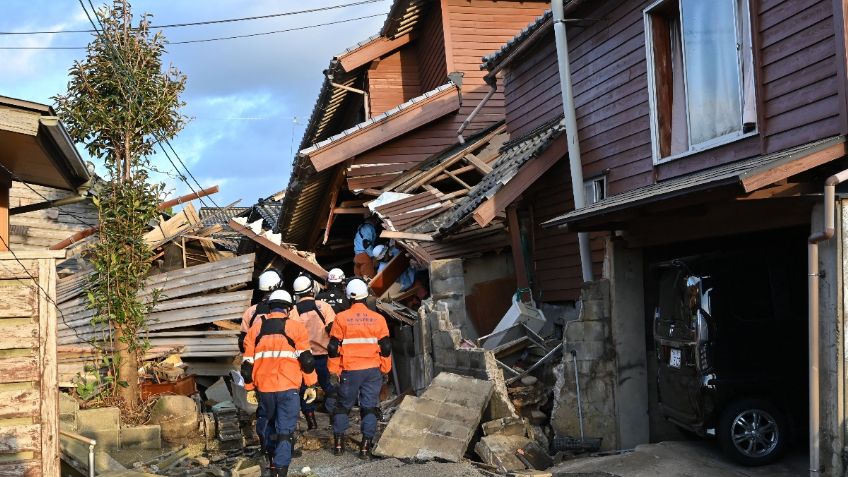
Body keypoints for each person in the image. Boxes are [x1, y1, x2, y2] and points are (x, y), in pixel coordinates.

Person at [242, 290, 318, 477]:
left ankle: (270, 462)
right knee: (285, 430)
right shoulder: (296, 328)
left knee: (268, 423)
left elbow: (246, 366)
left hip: (265, 388)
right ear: (288, 308)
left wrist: (250, 388)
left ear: (270, 307)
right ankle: (280, 470)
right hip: (289, 387)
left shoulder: (255, 330)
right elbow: (307, 361)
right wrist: (310, 384)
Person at [327, 278, 392, 459]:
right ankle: (364, 448)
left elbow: (333, 348)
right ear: (366, 296)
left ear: (349, 297)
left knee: (342, 407)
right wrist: (385, 370)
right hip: (372, 370)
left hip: (350, 370)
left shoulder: (340, 318)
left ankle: (338, 445)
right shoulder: (378, 319)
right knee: (369, 407)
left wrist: (333, 371)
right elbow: (385, 347)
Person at [290, 275, 337, 430]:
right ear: (312, 289)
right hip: (324, 357)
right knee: (329, 387)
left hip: (303, 359)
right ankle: (334, 417)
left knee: (306, 390)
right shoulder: (324, 307)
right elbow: (333, 329)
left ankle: (311, 421)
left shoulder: (293, 311)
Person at [239, 269, 282, 353]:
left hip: (257, 361)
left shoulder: (250, 311)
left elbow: (242, 342)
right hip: (283, 362)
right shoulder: (289, 310)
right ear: (279, 285)